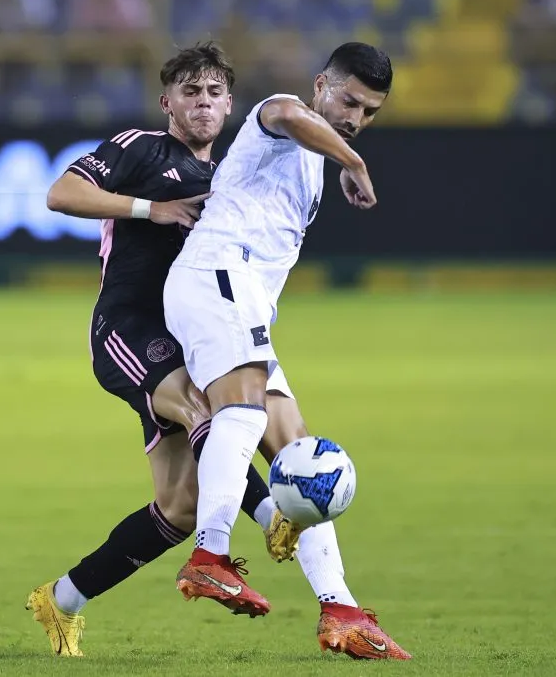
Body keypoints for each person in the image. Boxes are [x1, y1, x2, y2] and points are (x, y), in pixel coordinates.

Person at [25, 41, 409, 661]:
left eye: (213, 93)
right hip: (132, 327)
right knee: (221, 414)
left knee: (186, 502)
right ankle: (246, 532)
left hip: (201, 330)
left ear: (228, 103)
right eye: (190, 92)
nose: (203, 104)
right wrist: (153, 209)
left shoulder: (227, 174)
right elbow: (61, 194)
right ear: (167, 102)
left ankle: (62, 599)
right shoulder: (148, 147)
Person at [163, 41, 395, 626]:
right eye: (349, 101)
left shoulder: (313, 162)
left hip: (241, 302)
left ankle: (341, 610)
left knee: (302, 456)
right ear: (321, 84)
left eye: (369, 112)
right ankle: (210, 554)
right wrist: (355, 163)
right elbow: (289, 115)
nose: (356, 118)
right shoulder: (282, 113)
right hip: (217, 274)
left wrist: (339, 159)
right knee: (242, 414)